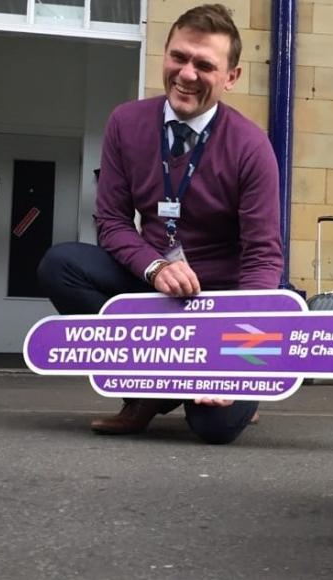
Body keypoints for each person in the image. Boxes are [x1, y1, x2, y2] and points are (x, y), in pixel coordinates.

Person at [38, 3, 283, 444]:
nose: (186, 74)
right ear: (166, 53)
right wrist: (154, 267)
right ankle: (151, 383)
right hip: (149, 284)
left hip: (220, 304)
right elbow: (111, 220)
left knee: (215, 428)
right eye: (178, 57)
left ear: (231, 77)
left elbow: (263, 255)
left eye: (204, 65)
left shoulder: (252, 146)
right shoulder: (125, 123)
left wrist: (237, 362)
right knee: (61, 265)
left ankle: (174, 387)